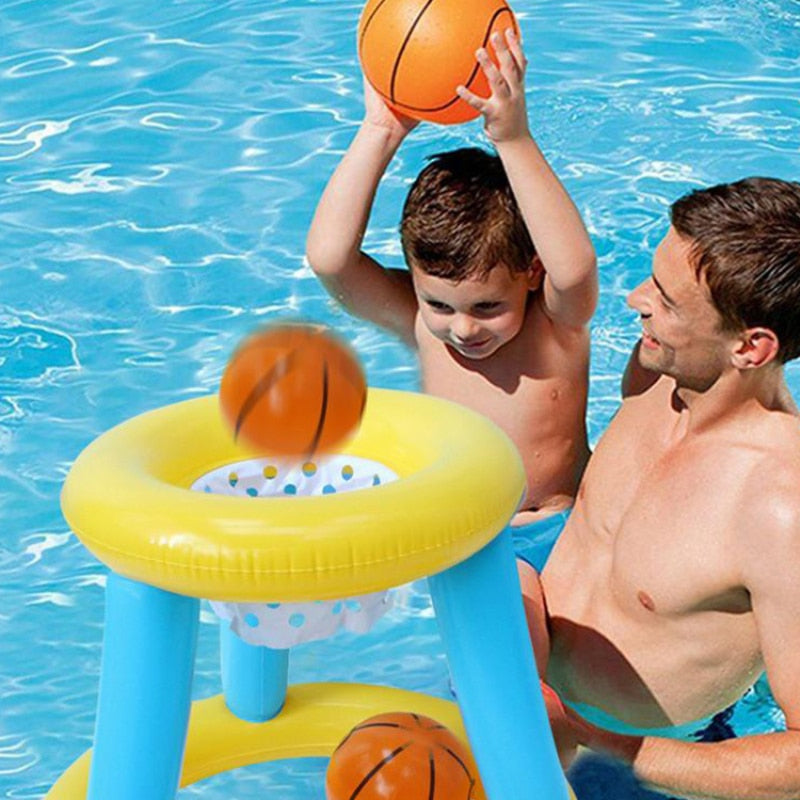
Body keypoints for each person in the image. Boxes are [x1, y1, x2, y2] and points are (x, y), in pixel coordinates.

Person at [520, 176, 800, 799]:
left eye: (667, 300)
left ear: (750, 347)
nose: (635, 300)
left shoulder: (779, 507)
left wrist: (603, 746)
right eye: (652, 278)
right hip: (530, 703)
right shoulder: (658, 374)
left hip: (630, 762)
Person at [306, 30, 598, 557]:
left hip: (559, 528)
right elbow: (331, 261)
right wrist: (380, 130)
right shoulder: (420, 321)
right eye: (439, 303)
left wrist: (513, 139)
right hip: (463, 533)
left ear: (532, 272)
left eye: (488, 306)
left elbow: (575, 271)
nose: (462, 328)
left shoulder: (555, 326)